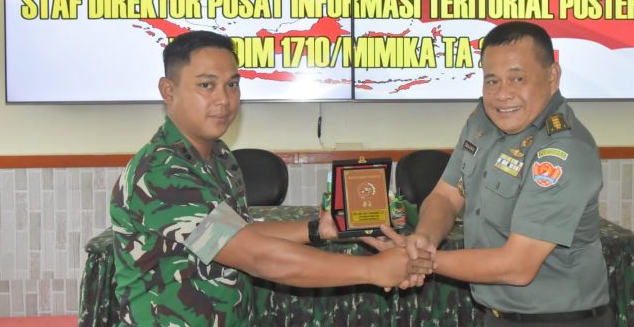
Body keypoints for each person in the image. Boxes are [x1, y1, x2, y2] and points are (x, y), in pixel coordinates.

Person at [110, 30, 431, 326]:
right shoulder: (161, 171)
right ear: (168, 90)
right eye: (206, 85)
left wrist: (317, 229)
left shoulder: (219, 156)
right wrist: (372, 269)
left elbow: (237, 232)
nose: (224, 99)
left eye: (232, 85)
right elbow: (257, 256)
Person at [370, 21, 613, 326]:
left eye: (517, 79)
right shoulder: (483, 121)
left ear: (552, 76)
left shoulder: (563, 150)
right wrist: (423, 239)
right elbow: (447, 195)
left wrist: (421, 260)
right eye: (492, 81)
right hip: (496, 315)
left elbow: (518, 266)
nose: (502, 94)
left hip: (559, 320)